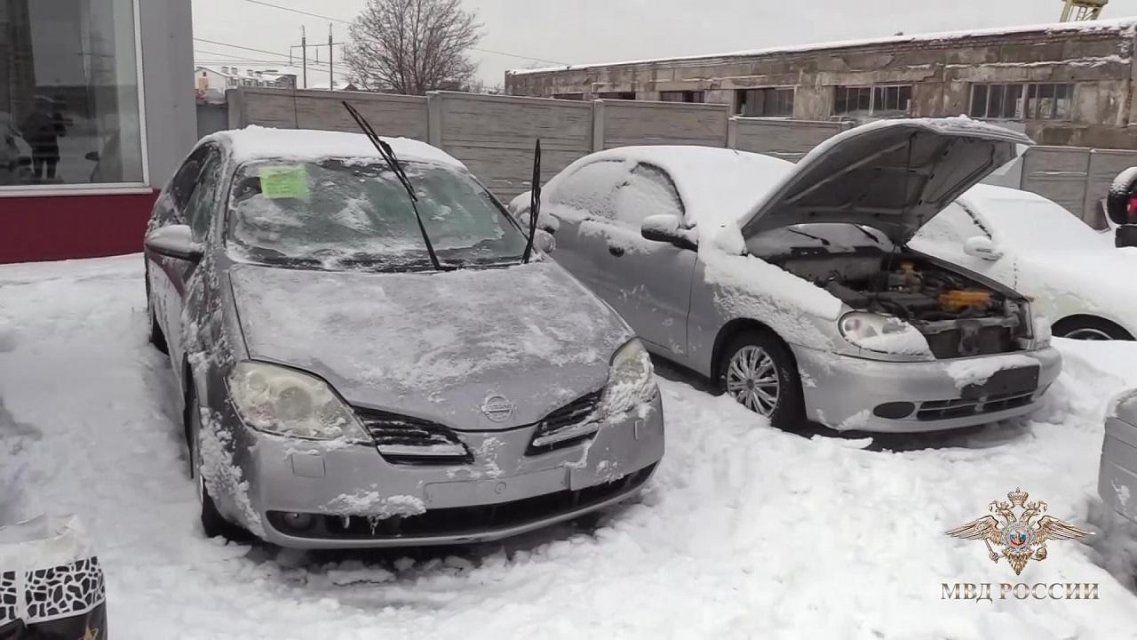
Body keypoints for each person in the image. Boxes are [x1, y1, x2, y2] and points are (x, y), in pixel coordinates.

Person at [21, 98, 67, 183]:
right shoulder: (34, 117)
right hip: (45, 149)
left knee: (43, 177)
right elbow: (62, 133)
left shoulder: (35, 117)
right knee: (45, 176)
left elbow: (62, 133)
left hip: (43, 149)